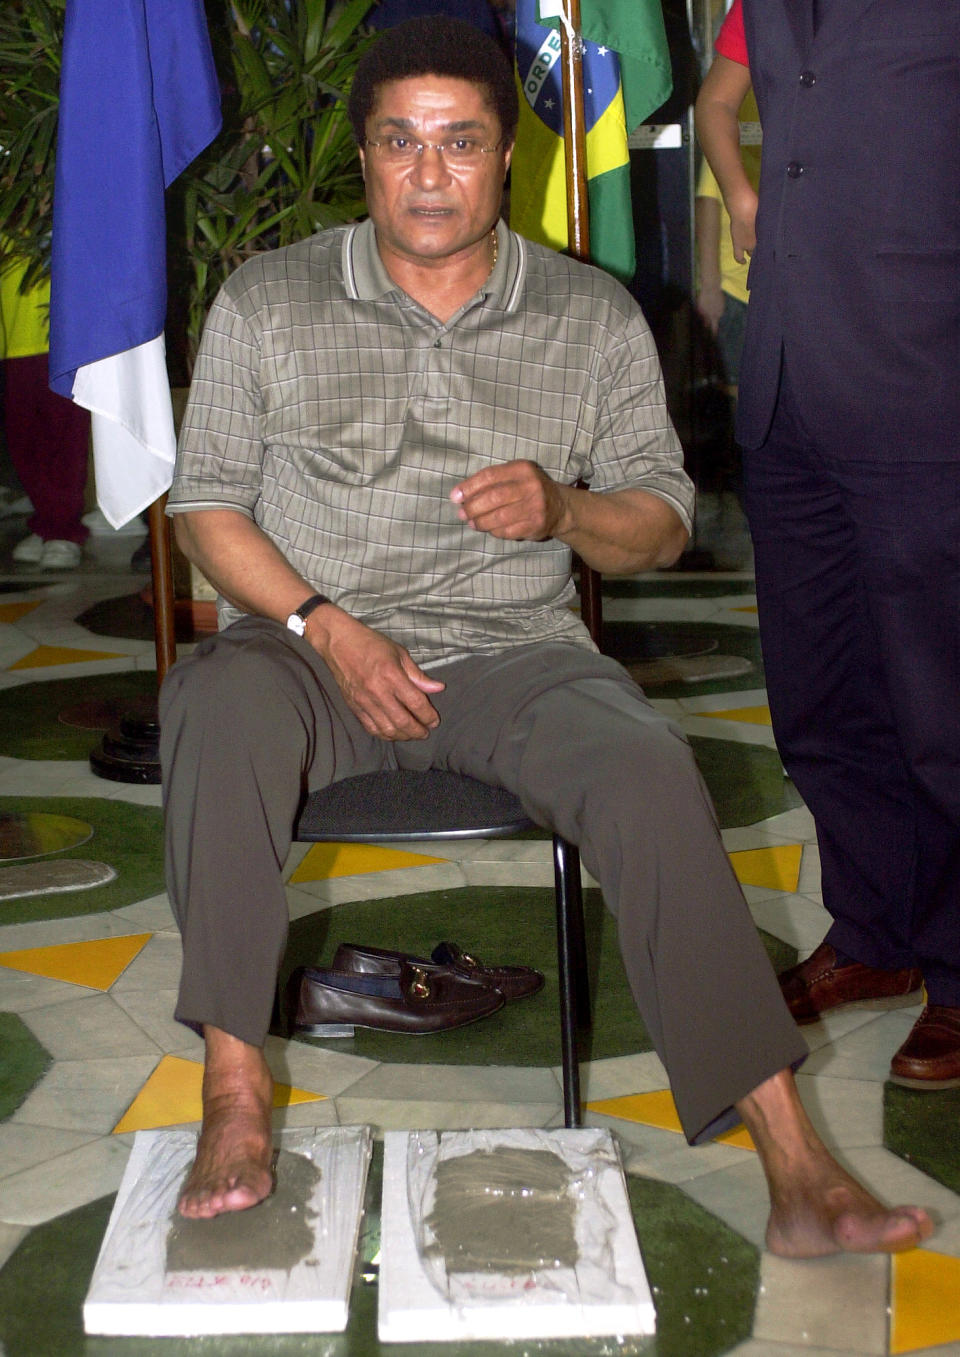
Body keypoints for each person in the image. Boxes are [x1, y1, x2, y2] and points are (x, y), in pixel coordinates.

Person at [159, 16, 932, 1255]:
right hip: (305, 653)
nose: (427, 173)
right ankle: (235, 1094)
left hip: (513, 656)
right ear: (363, 156)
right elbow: (205, 505)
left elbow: (664, 523)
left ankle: (794, 1160)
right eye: (398, 143)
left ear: (505, 155)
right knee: (211, 705)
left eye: (458, 143)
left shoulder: (589, 313)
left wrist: (566, 509)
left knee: (645, 763)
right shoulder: (271, 298)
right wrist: (328, 627)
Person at [697, 0, 960, 1088]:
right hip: (790, 385)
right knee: (819, 694)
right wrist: (747, 197)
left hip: (922, 380)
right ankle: (874, 935)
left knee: (939, 709)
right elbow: (724, 103)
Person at [0, 248, 90, 569]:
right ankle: (48, 520)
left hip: (56, 327)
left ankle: (62, 529)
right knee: (24, 437)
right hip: (11, 329)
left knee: (63, 434)